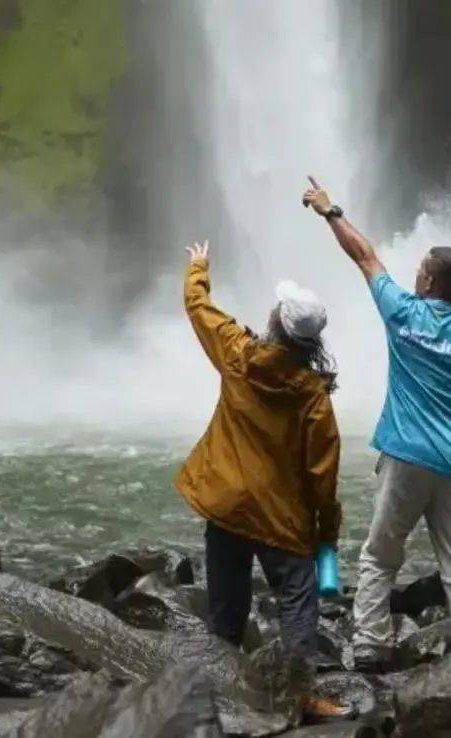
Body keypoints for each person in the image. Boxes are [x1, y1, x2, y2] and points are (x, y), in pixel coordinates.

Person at [301, 177, 451, 673]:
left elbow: (364, 255)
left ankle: (372, 647)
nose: (414, 273)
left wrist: (328, 209)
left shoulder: (402, 312)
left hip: (402, 456)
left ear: (427, 283)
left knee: (380, 555)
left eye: (420, 269)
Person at [174, 240, 356, 723]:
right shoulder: (313, 397)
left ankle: (218, 695)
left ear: (275, 322)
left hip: (228, 504)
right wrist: (326, 532)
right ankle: (301, 696)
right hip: (280, 515)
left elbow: (199, 308)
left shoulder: (238, 354)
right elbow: (323, 473)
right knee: (299, 601)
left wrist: (198, 267)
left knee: (227, 608)